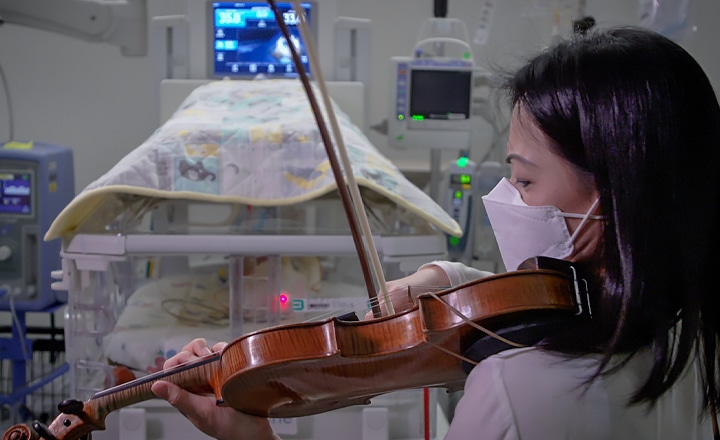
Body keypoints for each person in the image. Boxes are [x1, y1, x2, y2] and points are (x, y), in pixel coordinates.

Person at [150, 26, 720, 439]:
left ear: (612, 194)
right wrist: (441, 280)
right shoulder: (689, 335)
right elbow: (539, 300)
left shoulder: (517, 391)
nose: (510, 199)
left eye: (523, 180)